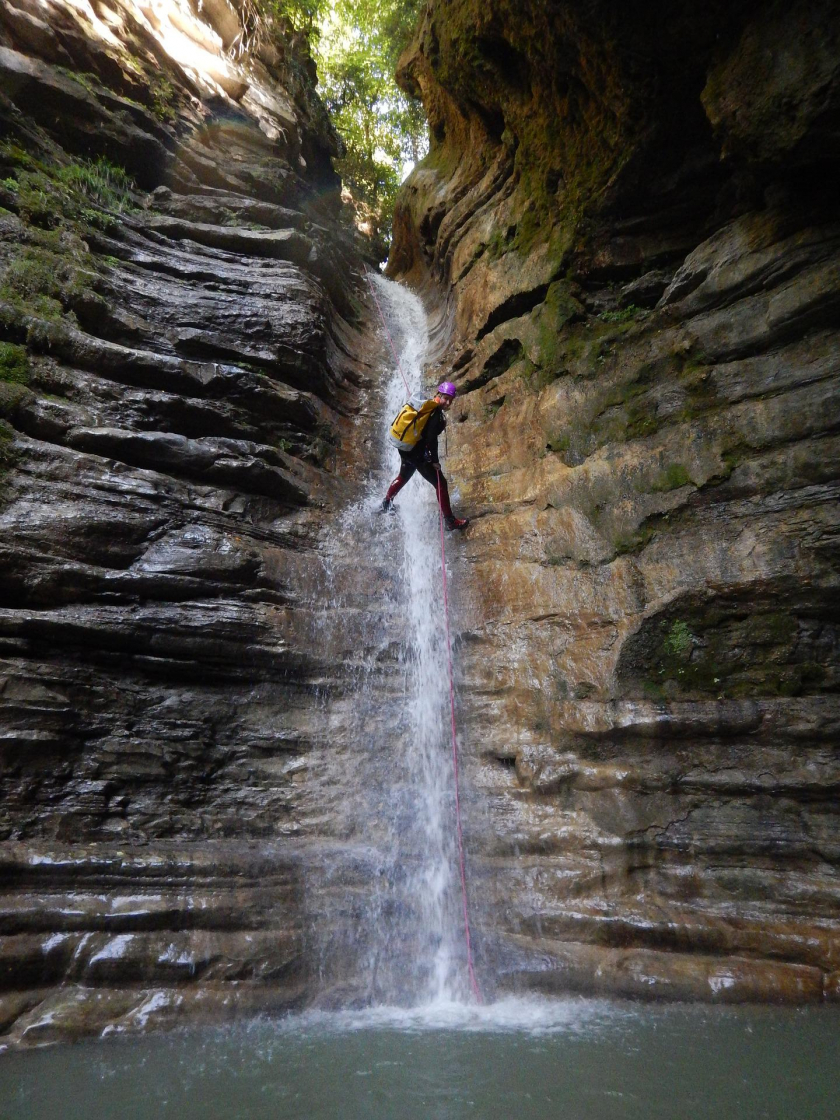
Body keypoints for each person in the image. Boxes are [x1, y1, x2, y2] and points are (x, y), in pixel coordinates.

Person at [380, 381, 469, 530]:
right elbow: (431, 440)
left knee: (404, 475)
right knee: (441, 483)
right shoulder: (435, 414)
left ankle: (387, 503)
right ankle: (450, 521)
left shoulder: (425, 405)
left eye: (450, 400)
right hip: (417, 452)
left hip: (406, 448)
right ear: (439, 395)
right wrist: (434, 461)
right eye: (445, 398)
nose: (447, 402)